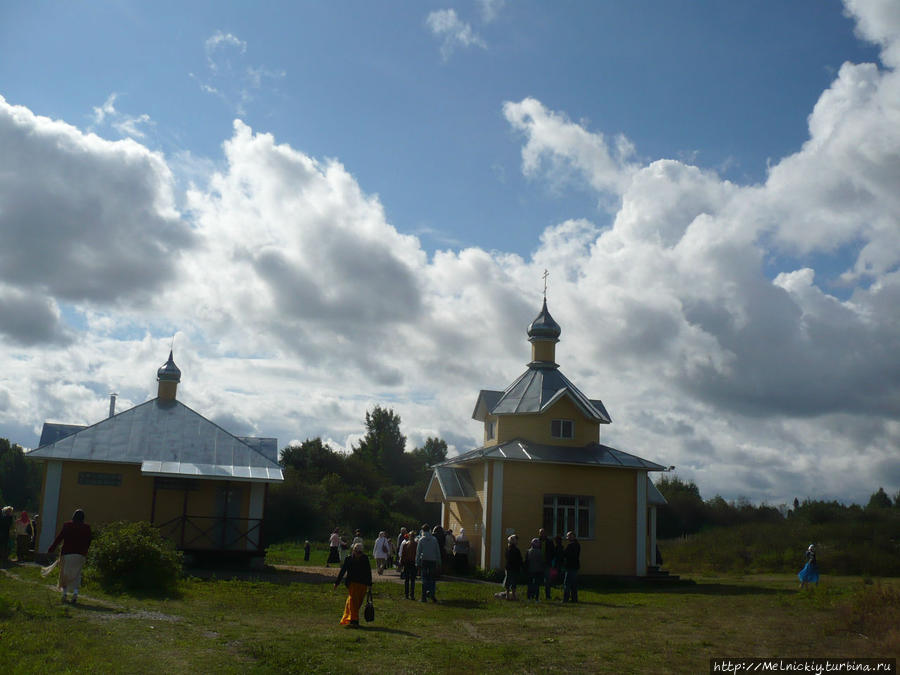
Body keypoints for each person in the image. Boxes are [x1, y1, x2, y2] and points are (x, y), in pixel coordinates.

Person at [48, 509, 92, 604]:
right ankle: (75, 594)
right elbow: (89, 541)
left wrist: (52, 548)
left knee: (65, 574)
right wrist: (85, 551)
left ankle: (64, 594)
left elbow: (60, 537)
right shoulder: (87, 528)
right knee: (77, 574)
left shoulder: (67, 525)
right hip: (80, 554)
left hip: (67, 553)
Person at [333, 542, 373, 628]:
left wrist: (370, 584)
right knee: (352, 601)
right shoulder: (348, 559)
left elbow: (368, 572)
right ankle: (354, 621)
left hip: (363, 584)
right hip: (352, 584)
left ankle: (350, 618)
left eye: (360, 552)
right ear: (353, 550)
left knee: (357, 603)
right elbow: (342, 571)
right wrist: (337, 582)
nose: (359, 554)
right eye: (357, 551)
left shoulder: (365, 558)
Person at [415, 524, 441, 603]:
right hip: (433, 560)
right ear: (429, 530)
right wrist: (439, 561)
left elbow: (418, 552)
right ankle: (432, 595)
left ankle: (423, 597)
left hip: (424, 560)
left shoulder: (421, 539)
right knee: (432, 578)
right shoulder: (434, 539)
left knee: (424, 578)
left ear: (422, 530)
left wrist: (417, 562)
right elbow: (437, 551)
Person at [501, 534, 524, 600]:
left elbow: (518, 559)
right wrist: (521, 565)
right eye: (515, 540)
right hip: (512, 568)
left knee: (511, 581)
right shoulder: (513, 550)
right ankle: (510, 595)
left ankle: (510, 595)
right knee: (511, 581)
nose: (517, 541)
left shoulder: (510, 549)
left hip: (511, 568)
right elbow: (519, 559)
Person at [562, 530, 580, 603]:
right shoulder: (577, 545)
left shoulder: (571, 545)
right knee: (574, 584)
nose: (567, 537)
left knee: (567, 584)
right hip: (575, 566)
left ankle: (566, 599)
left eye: (568, 536)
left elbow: (566, 555)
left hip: (570, 566)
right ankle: (574, 599)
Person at [399, 532, 418, 599]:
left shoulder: (405, 544)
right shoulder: (416, 544)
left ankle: (407, 595)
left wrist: (401, 563)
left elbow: (403, 555)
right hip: (413, 563)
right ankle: (411, 595)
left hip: (407, 563)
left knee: (407, 580)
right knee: (412, 580)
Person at [538, 528, 555, 599]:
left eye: (544, 532)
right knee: (537, 580)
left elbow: (553, 552)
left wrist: (550, 560)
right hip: (538, 564)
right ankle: (536, 596)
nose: (542, 534)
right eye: (541, 532)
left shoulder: (550, 542)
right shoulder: (537, 541)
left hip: (547, 563)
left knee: (547, 581)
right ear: (539, 534)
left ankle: (548, 596)